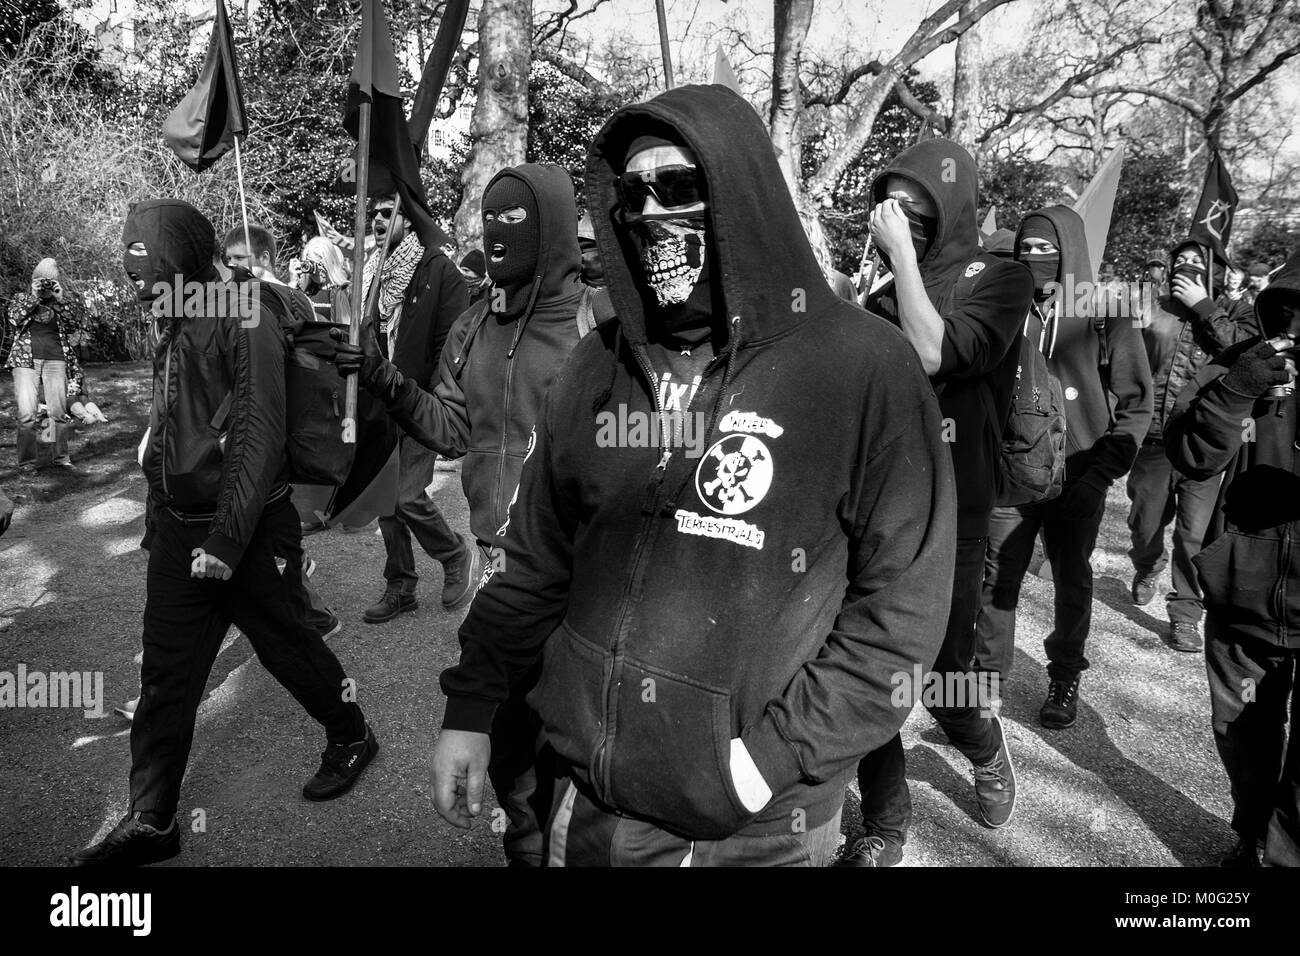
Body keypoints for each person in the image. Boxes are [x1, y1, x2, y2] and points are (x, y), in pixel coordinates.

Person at [429, 84, 955, 867]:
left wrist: (759, 767)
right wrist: (471, 703)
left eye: (680, 187)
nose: (651, 214)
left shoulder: (863, 367)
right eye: (633, 195)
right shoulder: (596, 363)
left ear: (739, 189)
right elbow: (537, 559)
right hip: (591, 800)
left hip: (759, 828)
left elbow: (900, 617)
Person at [70, 199, 376, 868]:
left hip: (247, 529)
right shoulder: (175, 312)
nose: (138, 292)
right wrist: (162, 520)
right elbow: (175, 422)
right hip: (180, 533)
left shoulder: (247, 310)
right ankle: (153, 821)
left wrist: (228, 542)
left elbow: (259, 434)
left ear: (178, 261)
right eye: (132, 281)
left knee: (287, 645)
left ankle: (351, 733)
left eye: (145, 276)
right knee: (167, 678)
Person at [333, 162, 597, 867]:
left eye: (518, 217)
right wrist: (386, 380)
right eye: (492, 214)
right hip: (496, 564)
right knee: (509, 744)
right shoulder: (476, 320)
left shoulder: (601, 323)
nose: (499, 231)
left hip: (582, 575)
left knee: (581, 751)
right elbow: (451, 427)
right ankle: (524, 845)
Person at [841, 139, 1032, 867]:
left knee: (945, 679)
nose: (899, 223)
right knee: (865, 670)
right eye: (888, 208)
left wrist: (904, 264)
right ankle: (886, 826)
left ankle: (982, 748)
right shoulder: (880, 291)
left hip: (957, 509)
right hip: (878, 507)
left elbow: (936, 353)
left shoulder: (1002, 277)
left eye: (915, 211)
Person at [976, 206, 1153, 729]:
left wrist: (1100, 474)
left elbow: (1137, 403)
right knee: (996, 577)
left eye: (1046, 250)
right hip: (1013, 471)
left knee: (1071, 577)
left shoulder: (1106, 309)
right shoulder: (1005, 303)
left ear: (1070, 250)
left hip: (1080, 472)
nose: (1034, 259)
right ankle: (984, 687)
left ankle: (1065, 675)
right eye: (1025, 249)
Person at [1164, 247, 1300, 867]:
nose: (1297, 331)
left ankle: (1284, 852)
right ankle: (1251, 831)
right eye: (1288, 313)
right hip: (1243, 593)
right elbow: (1191, 456)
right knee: (1242, 734)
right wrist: (1239, 390)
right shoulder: (1242, 364)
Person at [1126, 239, 1255, 652]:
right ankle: (1148, 565)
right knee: (1144, 522)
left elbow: (1246, 355)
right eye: (1179, 260)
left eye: (1197, 262)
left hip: (1207, 444)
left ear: (1215, 270)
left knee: (1194, 535)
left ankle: (1184, 613)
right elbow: (1125, 360)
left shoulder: (1238, 313)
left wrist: (1204, 307)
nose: (1186, 266)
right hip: (1155, 439)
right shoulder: (1152, 306)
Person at [357, 197, 476, 623]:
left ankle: (455, 554)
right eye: (373, 214)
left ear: (409, 219)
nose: (377, 221)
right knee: (384, 498)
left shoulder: (439, 270)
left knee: (405, 494)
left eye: (387, 213)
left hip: (419, 401)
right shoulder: (368, 273)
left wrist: (435, 400)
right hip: (376, 399)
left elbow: (453, 344)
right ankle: (401, 586)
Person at [5, 258, 87, 471]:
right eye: (43, 281)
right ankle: (27, 463)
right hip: (25, 360)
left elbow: (76, 323)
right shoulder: (22, 298)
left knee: (58, 412)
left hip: (56, 360)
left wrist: (60, 298)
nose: (46, 286)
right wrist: (34, 296)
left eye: (50, 282)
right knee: (26, 414)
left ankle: (62, 459)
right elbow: (14, 319)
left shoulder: (57, 304)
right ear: (34, 281)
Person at [292, 236, 351, 323]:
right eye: (312, 264)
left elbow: (348, 328)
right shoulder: (305, 293)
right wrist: (293, 283)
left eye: (321, 264)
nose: (317, 270)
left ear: (330, 262)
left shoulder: (346, 291)